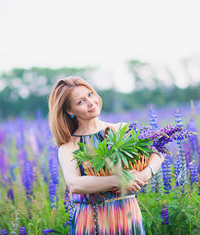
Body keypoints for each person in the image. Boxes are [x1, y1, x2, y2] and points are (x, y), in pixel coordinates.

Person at [48, 76, 165, 235]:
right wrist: (119, 180)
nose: (91, 102)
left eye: (90, 94)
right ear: (70, 111)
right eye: (80, 102)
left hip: (127, 213)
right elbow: (75, 184)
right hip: (91, 219)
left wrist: (145, 174)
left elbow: (158, 150)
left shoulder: (121, 129)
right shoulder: (69, 146)